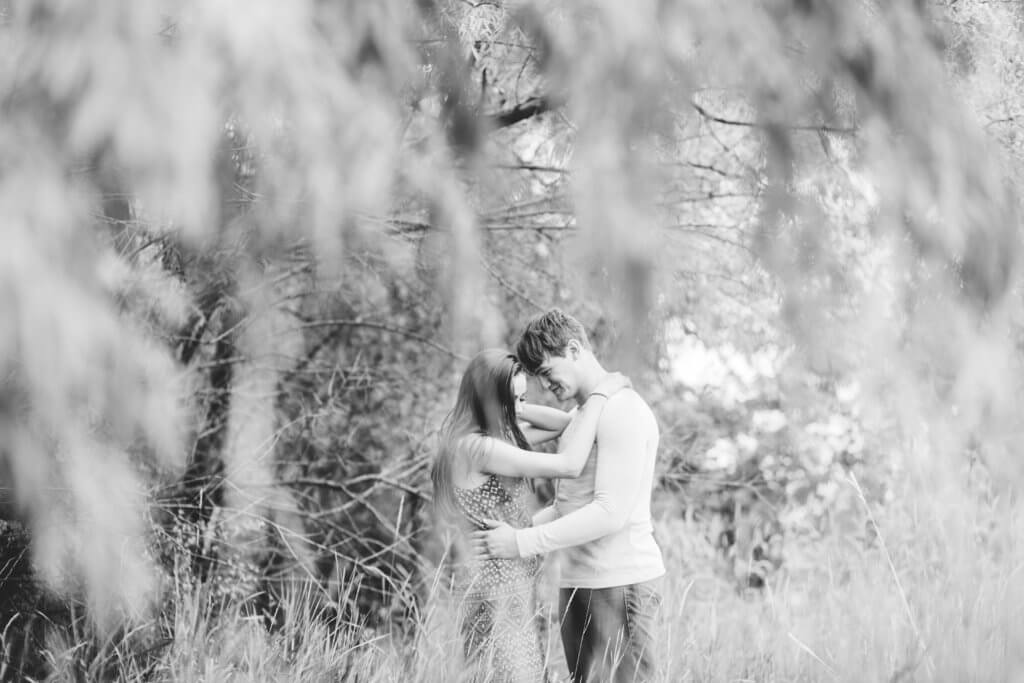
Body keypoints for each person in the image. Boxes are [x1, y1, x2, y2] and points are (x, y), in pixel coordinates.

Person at [471, 310, 666, 683]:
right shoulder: (586, 413)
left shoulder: (622, 410)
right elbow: (567, 506)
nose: (546, 386)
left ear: (574, 349)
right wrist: (511, 535)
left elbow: (610, 513)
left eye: (547, 373)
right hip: (579, 583)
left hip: (619, 584)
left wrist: (522, 542)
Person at [431, 348, 630, 683]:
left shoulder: (489, 440)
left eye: (523, 399)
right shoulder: (479, 449)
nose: (521, 410)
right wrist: (599, 395)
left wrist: (513, 402)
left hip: (508, 581)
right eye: (513, 402)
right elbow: (568, 465)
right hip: (496, 589)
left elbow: (563, 424)